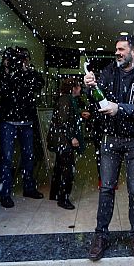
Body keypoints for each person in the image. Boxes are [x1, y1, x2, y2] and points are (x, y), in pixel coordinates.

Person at [84, 35, 134, 262]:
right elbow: (97, 98)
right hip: (111, 139)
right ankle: (101, 235)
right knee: (106, 188)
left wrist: (119, 109)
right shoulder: (109, 71)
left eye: (122, 49)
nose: (118, 53)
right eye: (116, 49)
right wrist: (90, 87)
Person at [0, 46, 44, 208]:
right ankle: (4, 193)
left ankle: (29, 186)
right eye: (22, 58)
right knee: (6, 158)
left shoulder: (28, 72)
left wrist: (26, 71)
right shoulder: (3, 72)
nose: (24, 61)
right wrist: (9, 72)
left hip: (26, 121)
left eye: (25, 58)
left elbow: (39, 84)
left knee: (29, 156)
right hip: (8, 121)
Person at [47, 78, 86, 210]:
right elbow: (64, 121)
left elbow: (67, 117)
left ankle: (55, 194)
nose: (80, 89)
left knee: (59, 167)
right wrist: (72, 138)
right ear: (73, 88)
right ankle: (63, 198)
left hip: (59, 140)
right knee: (67, 169)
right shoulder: (66, 100)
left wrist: (80, 114)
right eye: (79, 86)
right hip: (63, 141)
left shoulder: (65, 99)